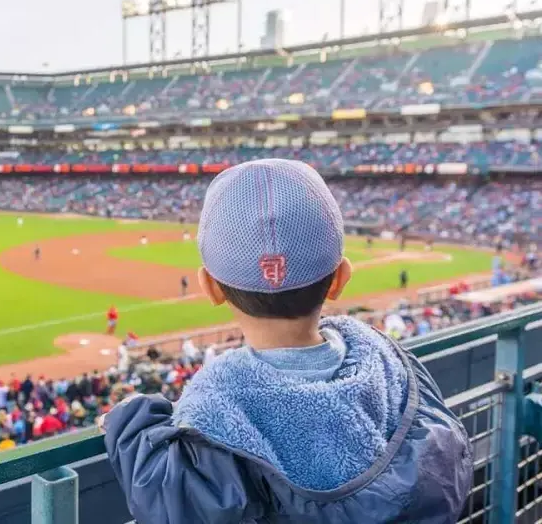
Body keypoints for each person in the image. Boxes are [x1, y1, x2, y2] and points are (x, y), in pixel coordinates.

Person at [100, 159, 470, 523]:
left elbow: (171, 503)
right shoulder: (393, 366)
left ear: (210, 288)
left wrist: (130, 422)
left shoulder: (211, 407)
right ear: (341, 278)